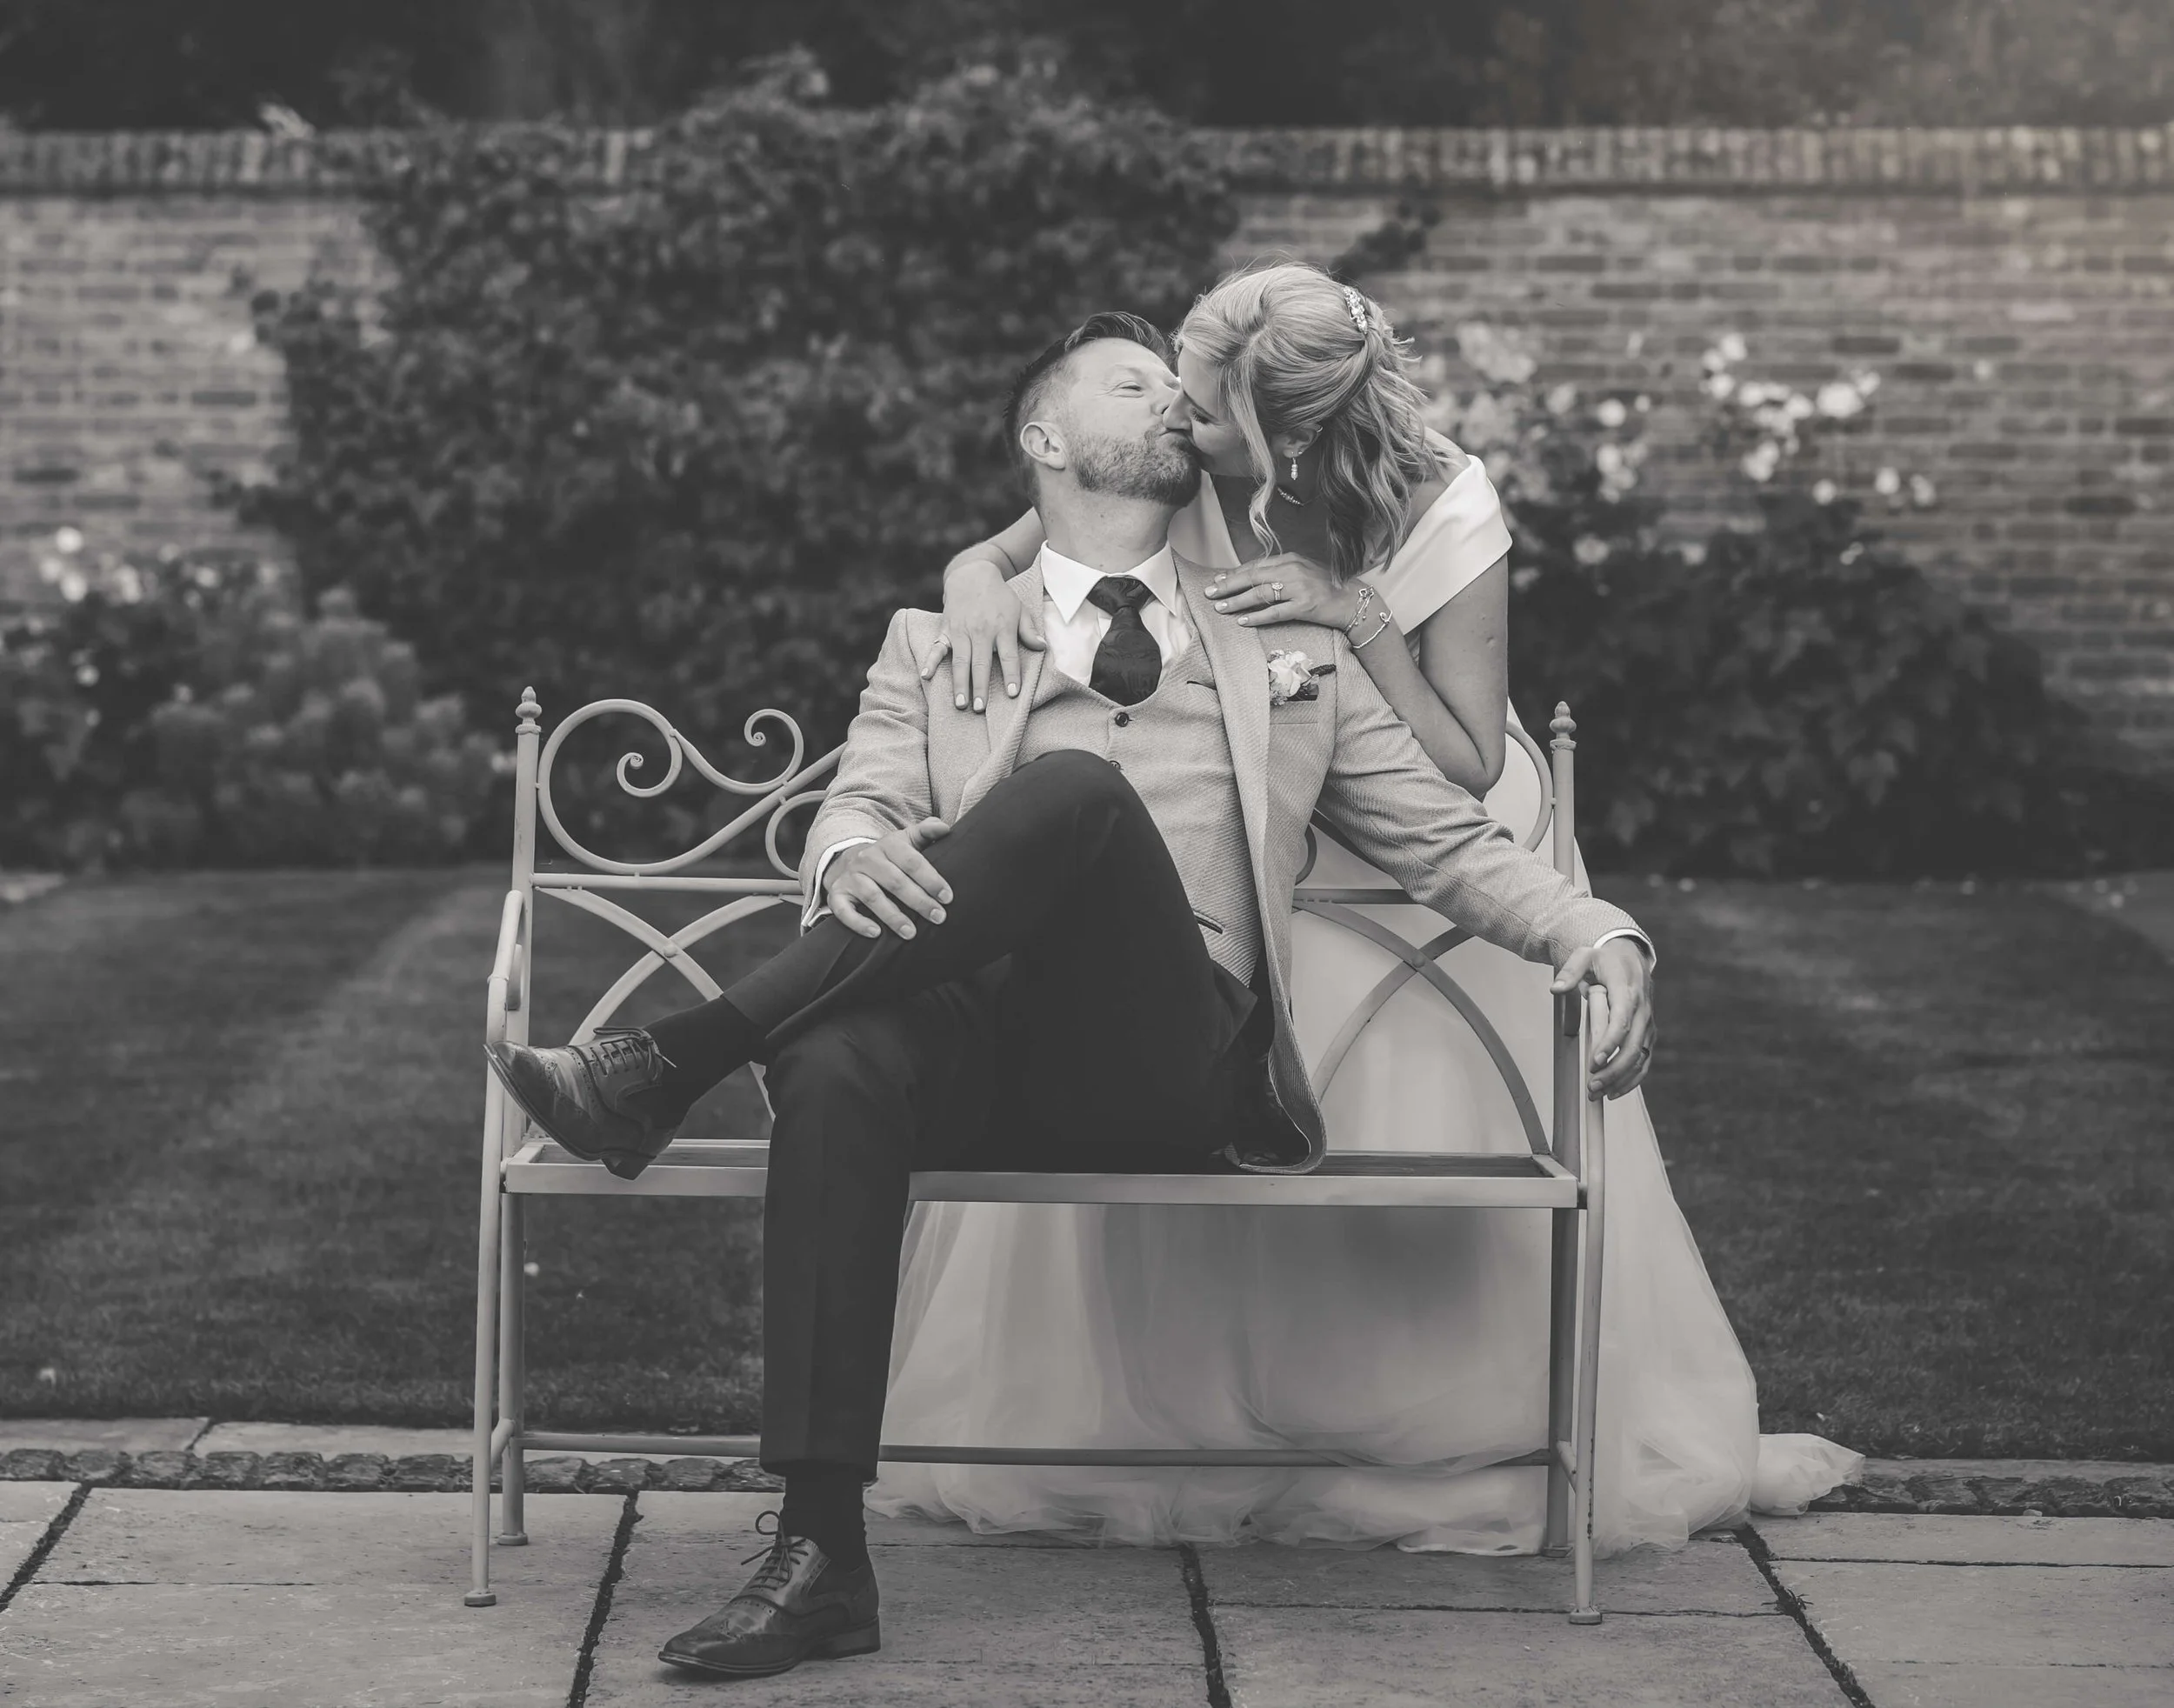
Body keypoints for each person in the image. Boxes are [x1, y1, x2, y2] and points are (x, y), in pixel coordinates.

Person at [487, 310, 1659, 1678]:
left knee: (1080, 797)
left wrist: (1599, 932)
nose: (1170, 398)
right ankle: (820, 1556)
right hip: (972, 1050)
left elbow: (1451, 843)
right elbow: (858, 806)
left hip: (1161, 1062)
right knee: (839, 1058)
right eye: (1129, 382)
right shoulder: (935, 642)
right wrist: (858, 851)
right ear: (1045, 439)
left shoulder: (1288, 650)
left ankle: (667, 1062)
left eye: (1176, 384)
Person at [877, 263, 1858, 1556]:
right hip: (1251, 840)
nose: (1174, 413)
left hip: (1418, 839)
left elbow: (1460, 761)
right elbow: (1025, 539)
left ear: (1274, 432)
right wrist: (966, 580)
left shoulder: (1440, 501)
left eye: (1199, 405)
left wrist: (1356, 618)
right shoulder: (1187, 463)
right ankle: (1180, 1423)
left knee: (1393, 1116)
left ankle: (1423, 1419)